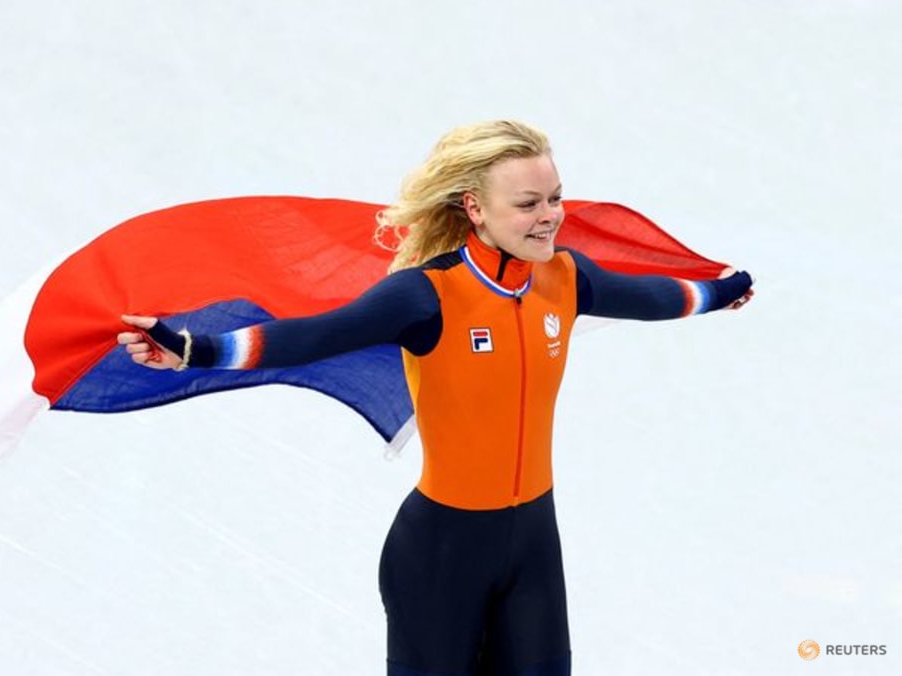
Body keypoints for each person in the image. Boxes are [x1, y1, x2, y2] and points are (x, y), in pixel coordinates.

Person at [116, 120, 754, 676]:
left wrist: (722, 292)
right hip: (440, 556)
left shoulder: (566, 277)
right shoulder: (426, 295)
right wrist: (192, 350)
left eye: (555, 198)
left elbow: (654, 299)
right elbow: (312, 336)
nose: (551, 216)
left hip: (534, 547)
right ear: (475, 208)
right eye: (529, 203)